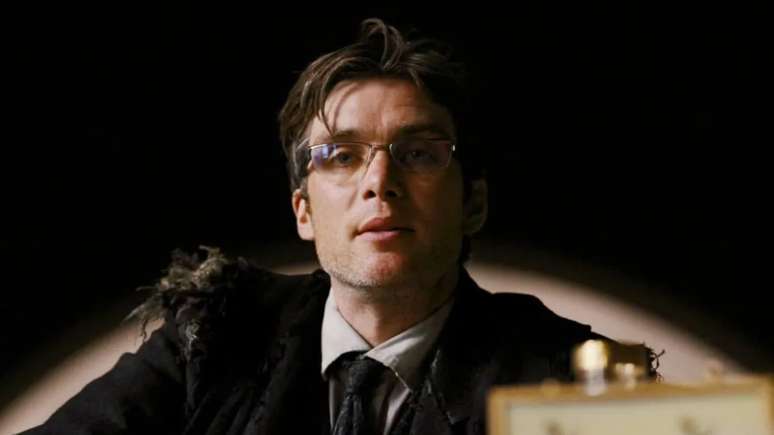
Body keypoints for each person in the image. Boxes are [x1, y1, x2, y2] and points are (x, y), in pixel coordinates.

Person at [22, 18, 646, 435]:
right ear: (303, 211)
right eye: (342, 157)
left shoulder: (568, 378)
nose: (380, 181)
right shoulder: (212, 340)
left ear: (473, 204)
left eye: (418, 153)